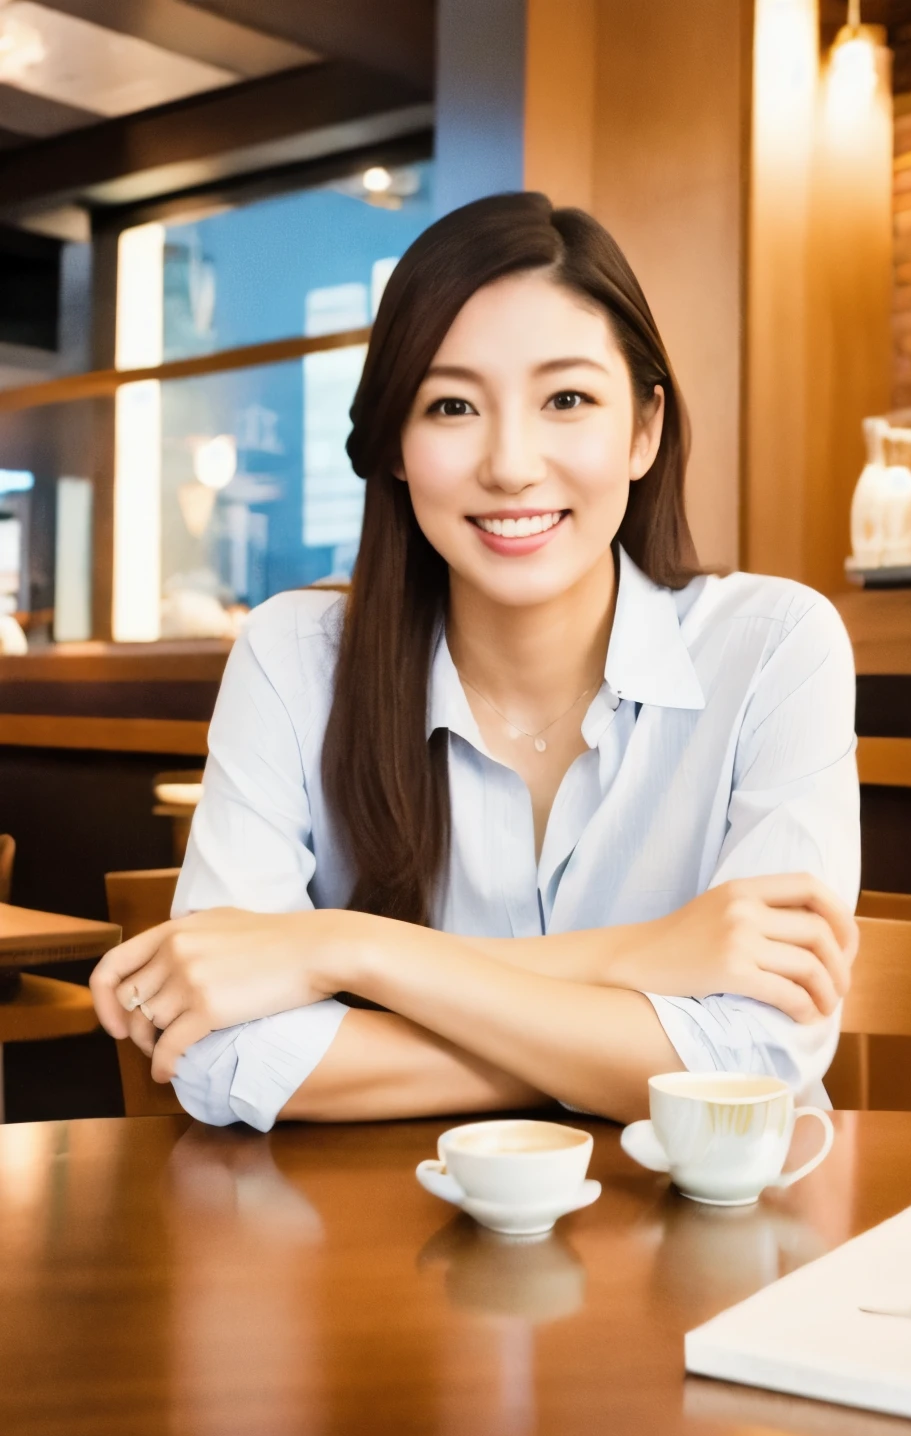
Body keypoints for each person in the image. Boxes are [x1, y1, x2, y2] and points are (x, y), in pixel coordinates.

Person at [91, 192, 860, 1132]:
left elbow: (760, 1059)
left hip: (717, 1245)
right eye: (452, 404)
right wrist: (651, 968)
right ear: (398, 449)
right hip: (370, 1251)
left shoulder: (777, 647)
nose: (510, 463)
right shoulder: (291, 658)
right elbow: (220, 1051)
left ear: (644, 431)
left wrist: (342, 954)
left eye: (567, 400)